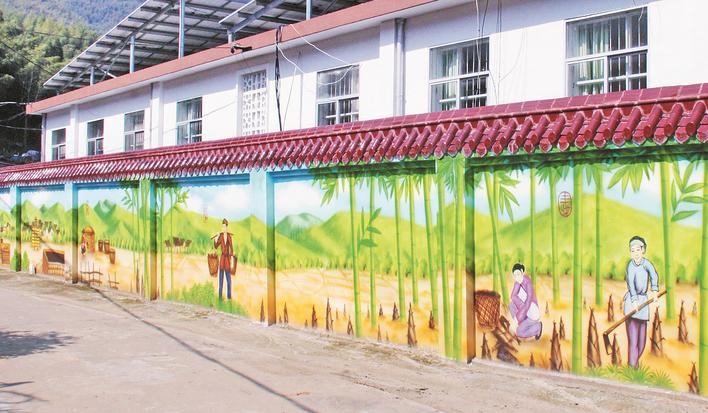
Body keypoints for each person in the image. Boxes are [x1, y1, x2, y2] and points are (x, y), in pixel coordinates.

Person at [623, 235, 659, 368]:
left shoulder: (646, 264)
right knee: (633, 340)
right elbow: (631, 284)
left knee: (642, 341)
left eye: (638, 250)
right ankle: (633, 367)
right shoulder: (630, 266)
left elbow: (654, 275)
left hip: (644, 303)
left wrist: (654, 291)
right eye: (632, 250)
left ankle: (633, 363)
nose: (635, 253)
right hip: (632, 303)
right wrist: (634, 302)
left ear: (643, 250)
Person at [508, 263, 542, 340]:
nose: (516, 277)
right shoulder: (517, 283)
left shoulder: (528, 282)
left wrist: (516, 321)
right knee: (511, 306)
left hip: (532, 312)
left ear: (522, 272)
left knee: (519, 332)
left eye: (518, 274)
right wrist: (520, 310)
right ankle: (522, 323)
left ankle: (538, 327)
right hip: (524, 311)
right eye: (515, 275)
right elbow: (513, 296)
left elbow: (527, 304)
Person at [213, 219, 234, 300]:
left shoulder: (229, 237)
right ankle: (220, 297)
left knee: (229, 281)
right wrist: (216, 238)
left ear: (227, 227)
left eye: (224, 227)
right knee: (221, 280)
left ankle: (229, 297)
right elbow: (216, 246)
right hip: (222, 260)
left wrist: (232, 255)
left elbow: (231, 248)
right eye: (222, 227)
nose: (223, 228)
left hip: (227, 260)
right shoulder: (221, 236)